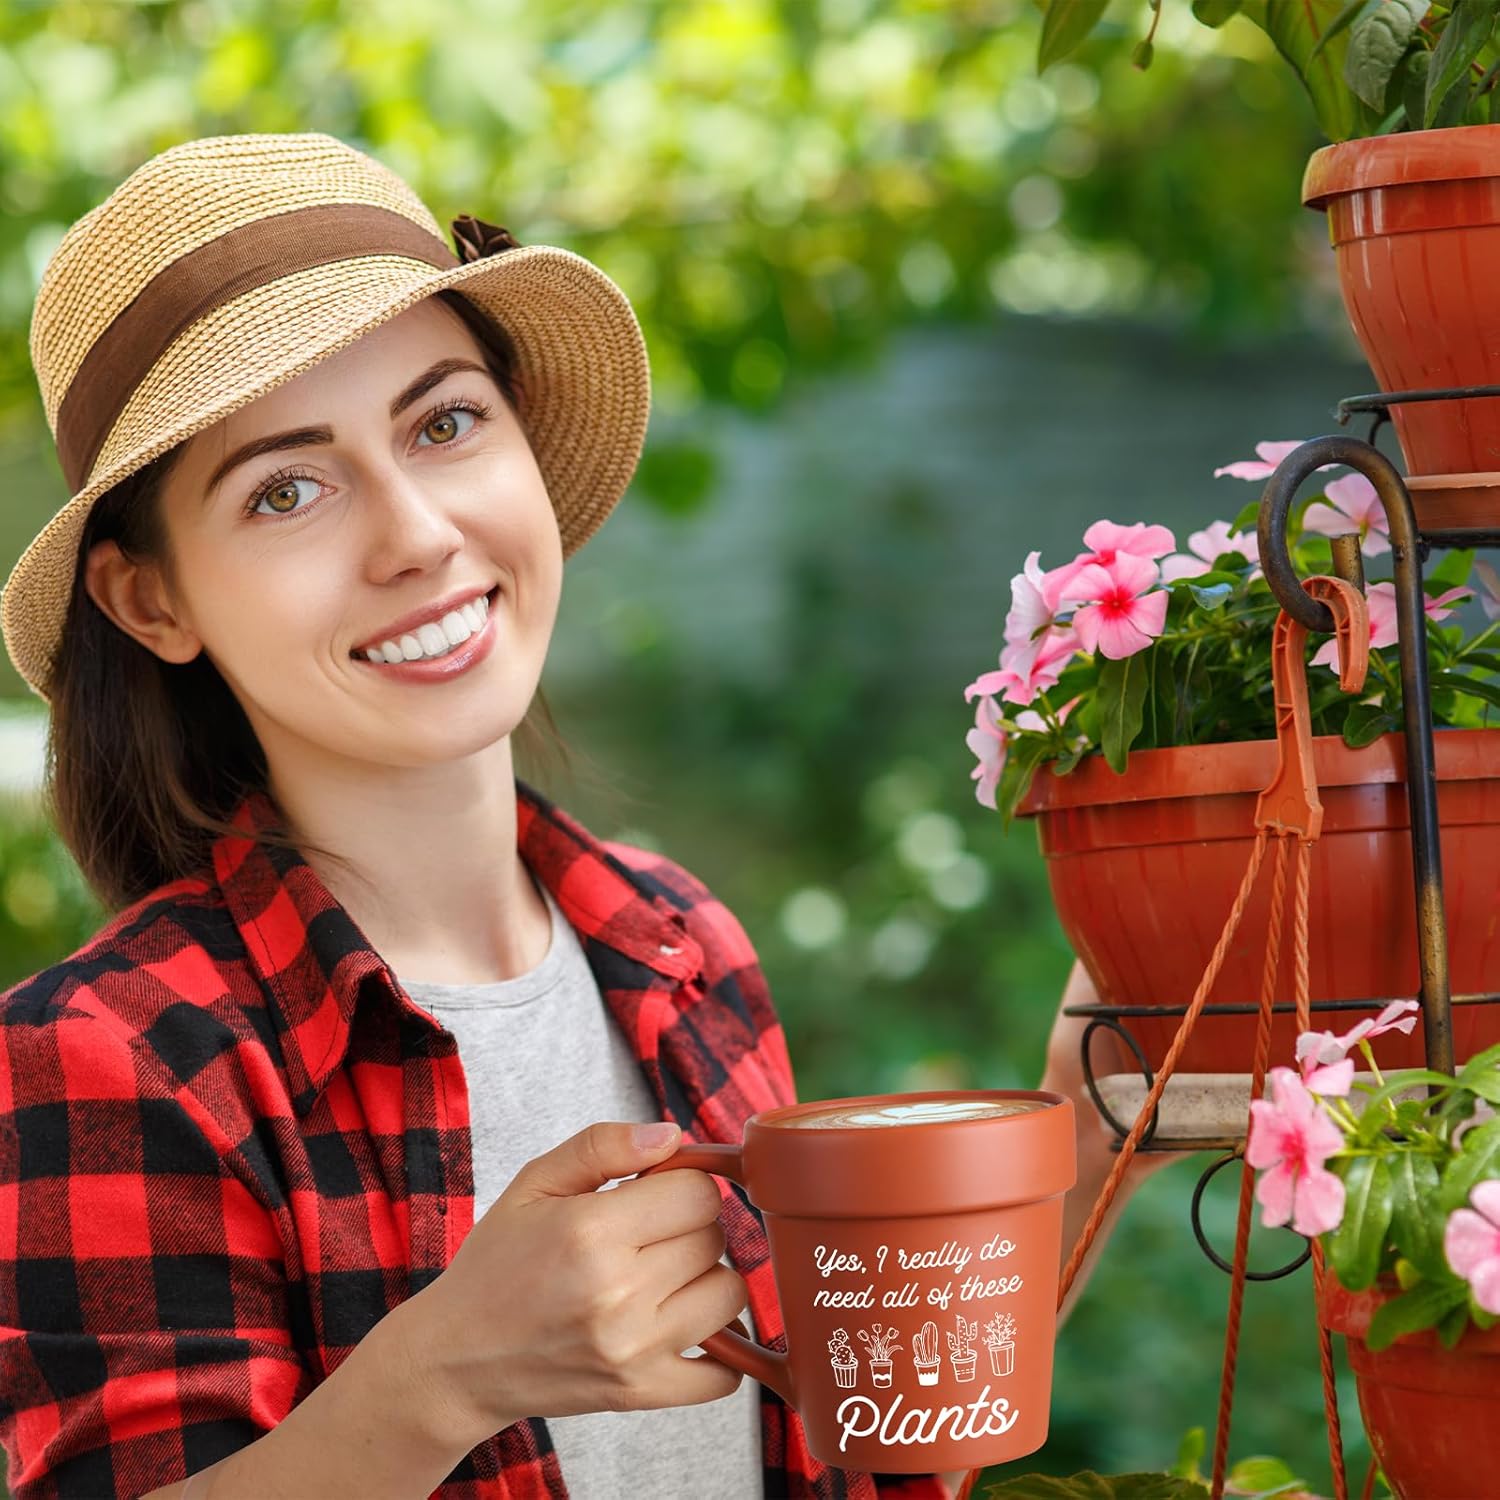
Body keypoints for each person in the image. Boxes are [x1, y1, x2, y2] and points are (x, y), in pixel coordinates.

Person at [0, 132, 1161, 1500]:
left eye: (443, 423)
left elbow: (866, 1455)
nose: (417, 534)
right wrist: (446, 1379)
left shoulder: (677, 941)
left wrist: (1091, 1118)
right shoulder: (109, 1058)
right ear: (153, 601)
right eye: (288, 490)